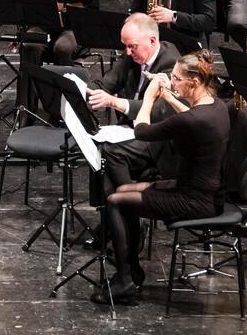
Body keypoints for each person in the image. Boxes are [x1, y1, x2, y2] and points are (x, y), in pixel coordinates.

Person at [93, 51, 231, 304]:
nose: (172, 81)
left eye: (177, 79)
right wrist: (168, 95)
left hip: (195, 200)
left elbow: (142, 131)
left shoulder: (192, 120)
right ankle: (131, 270)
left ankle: (126, 278)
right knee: (124, 190)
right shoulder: (216, 106)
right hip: (202, 189)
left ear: (195, 82)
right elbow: (189, 116)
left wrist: (149, 96)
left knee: (115, 201)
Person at [84, 12, 183, 191]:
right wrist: (86, 91)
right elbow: (107, 82)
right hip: (131, 129)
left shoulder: (172, 64)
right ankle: (113, 209)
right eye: (125, 46)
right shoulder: (132, 55)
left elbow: (159, 109)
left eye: (132, 46)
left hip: (157, 140)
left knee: (111, 154)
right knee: (99, 152)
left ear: (152, 41)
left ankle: (128, 202)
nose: (128, 52)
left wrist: (114, 102)